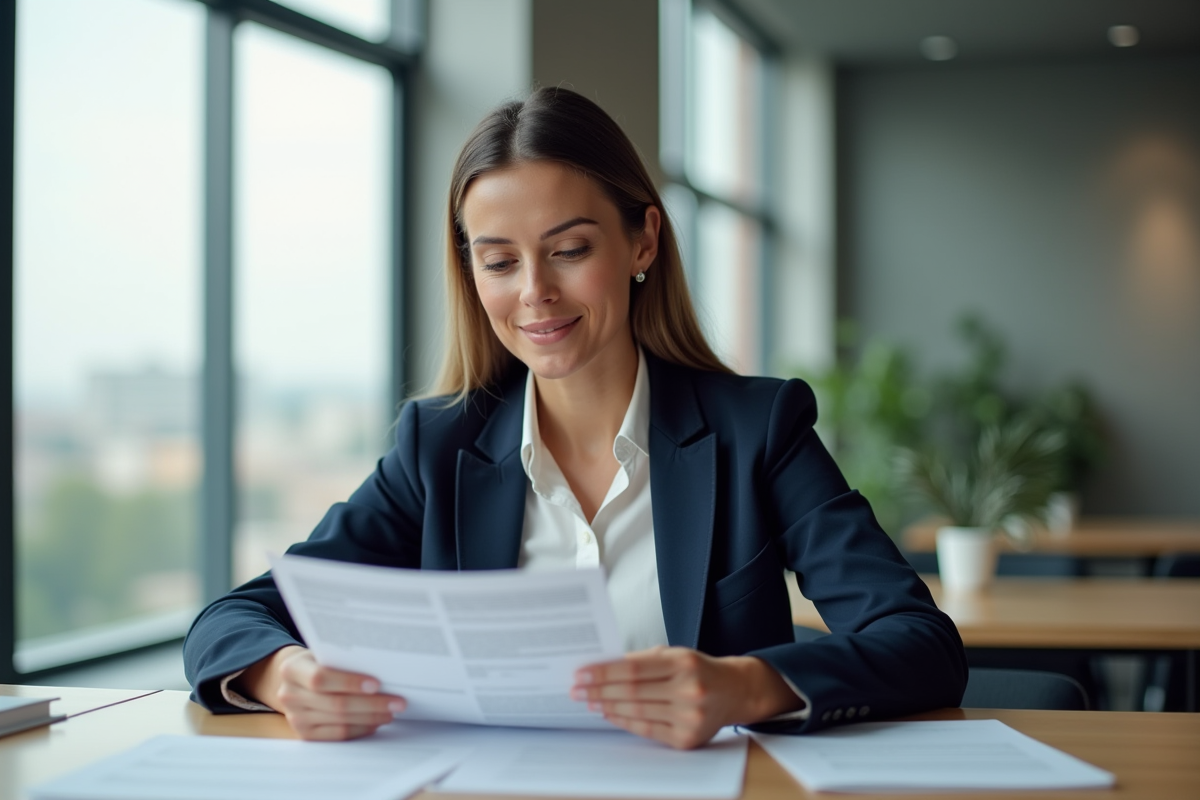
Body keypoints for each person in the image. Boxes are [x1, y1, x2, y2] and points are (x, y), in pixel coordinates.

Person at [183, 87, 966, 750]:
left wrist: (746, 687)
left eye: (568, 250)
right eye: (498, 261)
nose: (534, 293)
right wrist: (285, 677)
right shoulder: (437, 448)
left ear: (642, 240)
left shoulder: (756, 429)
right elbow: (235, 618)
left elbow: (921, 643)